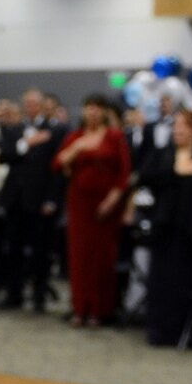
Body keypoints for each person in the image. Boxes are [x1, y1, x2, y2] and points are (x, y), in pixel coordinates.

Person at [138, 108, 192, 346]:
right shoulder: (164, 153)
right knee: (160, 281)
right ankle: (157, 330)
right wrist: (177, 172)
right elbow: (145, 177)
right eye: (175, 125)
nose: (177, 129)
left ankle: (179, 331)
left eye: (183, 125)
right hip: (164, 228)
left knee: (181, 283)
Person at [54, 93, 132, 328]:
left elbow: (124, 172)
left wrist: (113, 199)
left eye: (97, 108)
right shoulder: (75, 137)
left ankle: (99, 310)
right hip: (78, 203)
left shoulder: (114, 137)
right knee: (78, 257)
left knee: (101, 258)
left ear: (104, 112)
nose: (92, 112)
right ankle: (79, 308)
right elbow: (57, 164)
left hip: (106, 205)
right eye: (88, 108)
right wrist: (76, 148)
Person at [1, 88, 62, 311]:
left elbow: (57, 169)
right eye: (26, 104)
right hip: (15, 199)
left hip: (39, 200)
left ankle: (39, 296)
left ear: (42, 106)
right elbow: (3, 156)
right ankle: (14, 294)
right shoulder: (14, 129)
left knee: (40, 251)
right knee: (13, 249)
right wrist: (27, 144)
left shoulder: (54, 131)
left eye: (34, 104)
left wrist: (52, 200)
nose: (30, 108)